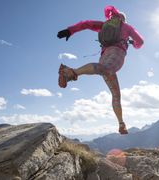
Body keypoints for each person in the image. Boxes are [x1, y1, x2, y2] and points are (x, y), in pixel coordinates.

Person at [57, 6, 144, 134]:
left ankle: (121, 124)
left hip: (103, 57)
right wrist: (133, 44)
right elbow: (140, 41)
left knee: (115, 92)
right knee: (107, 73)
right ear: (123, 19)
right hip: (117, 54)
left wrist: (70, 30)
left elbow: (86, 24)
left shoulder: (104, 25)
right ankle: (70, 72)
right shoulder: (127, 27)